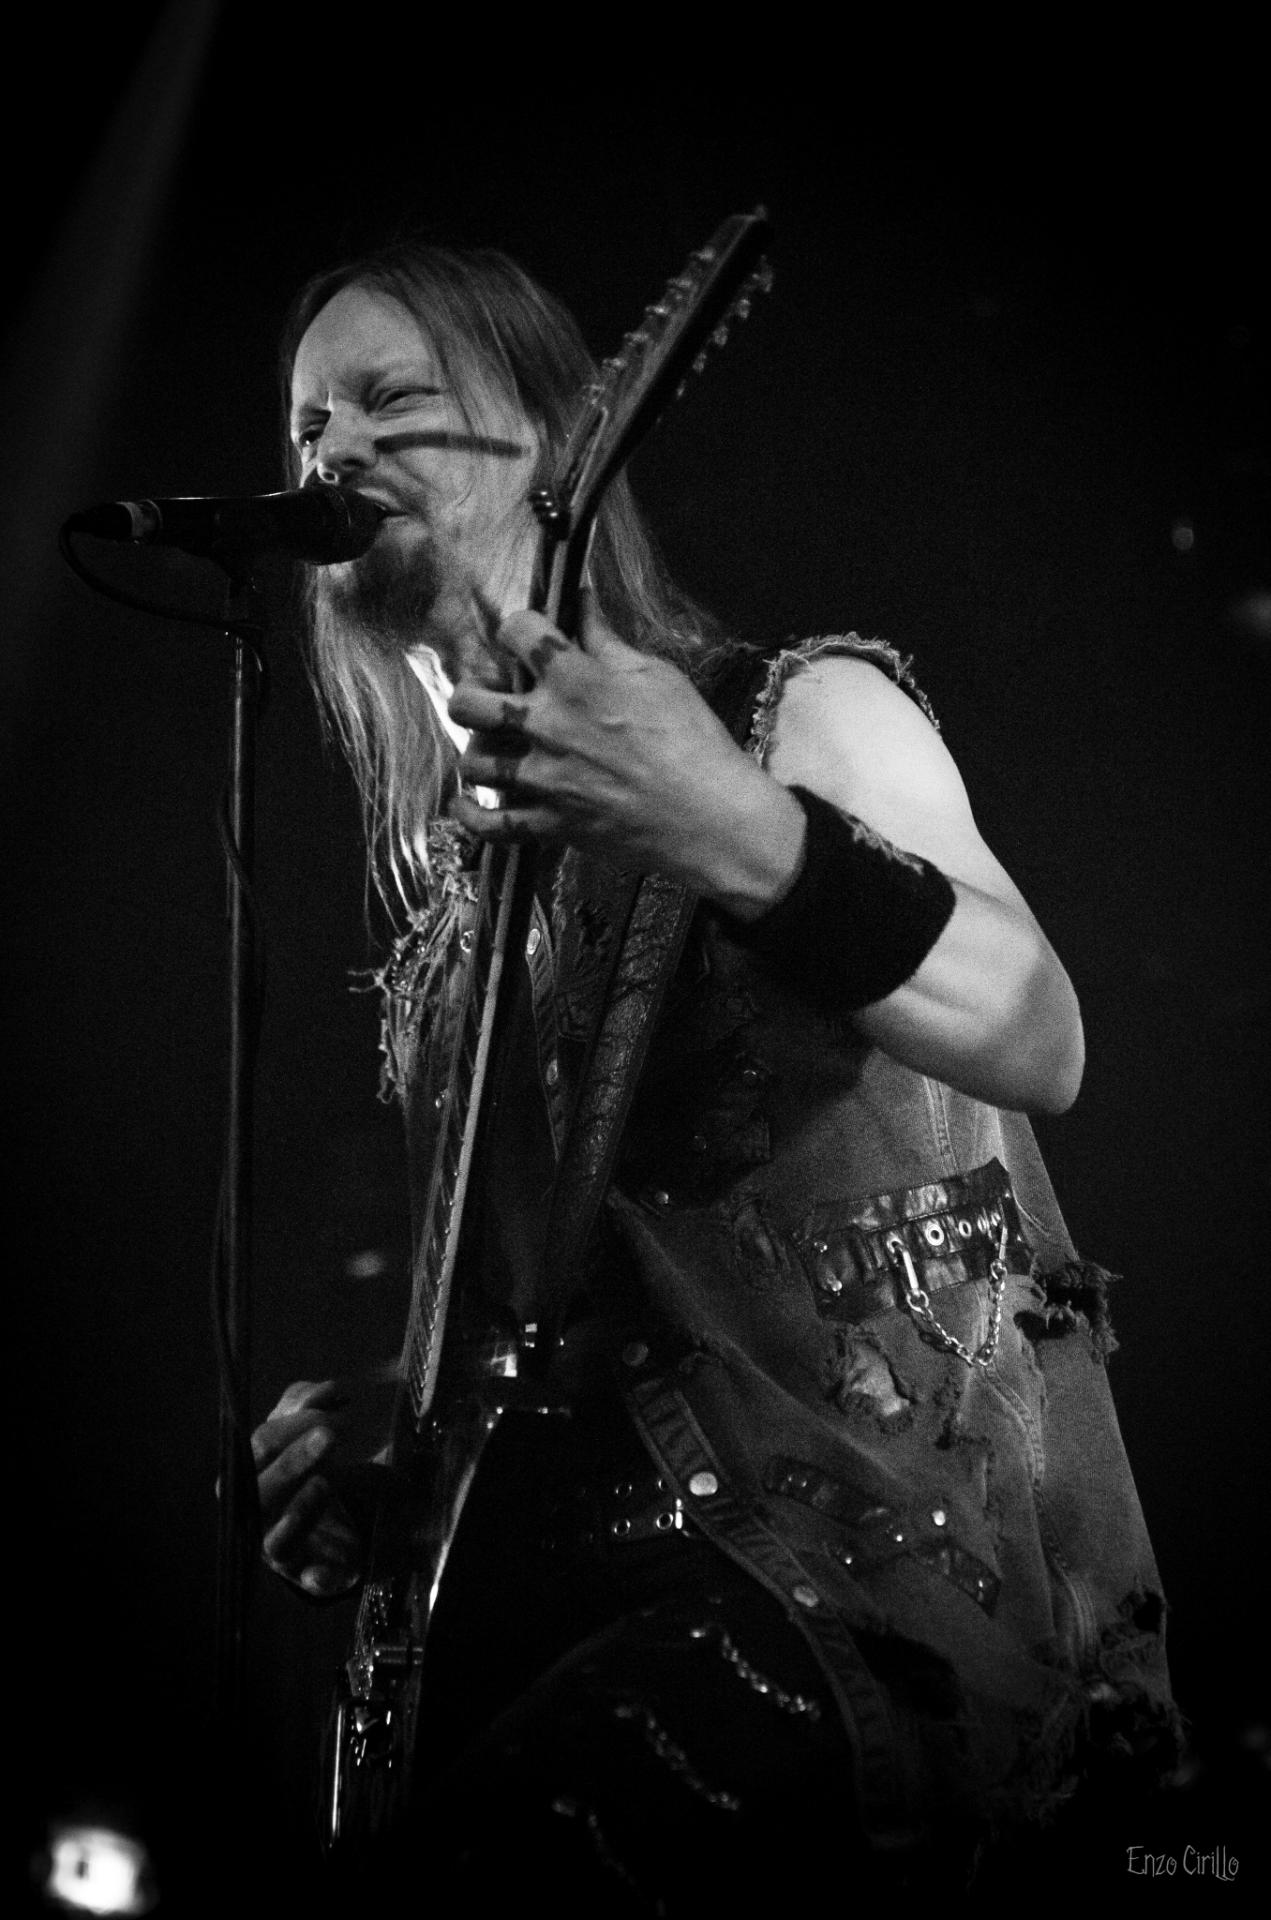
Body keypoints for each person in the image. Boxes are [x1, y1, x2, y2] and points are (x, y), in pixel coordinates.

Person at [251, 240, 1179, 1906]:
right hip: (610, 1608)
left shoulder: (791, 715)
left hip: (873, 1612)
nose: (337, 453)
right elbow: (589, 1328)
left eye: (394, 401)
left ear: (561, 436)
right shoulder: (462, 923)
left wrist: (734, 828)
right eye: (312, 425)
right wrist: (417, 1460)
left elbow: (1038, 1031)